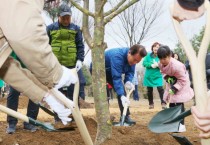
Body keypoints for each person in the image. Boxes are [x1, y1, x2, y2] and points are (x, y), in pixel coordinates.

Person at [0, 0, 78, 126]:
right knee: (13, 94)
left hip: (36, 62)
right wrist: (56, 73)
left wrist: (46, 96)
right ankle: (12, 124)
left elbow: (5, 67)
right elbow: (25, 33)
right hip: (35, 59)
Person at [47, 3, 85, 102]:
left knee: (73, 91)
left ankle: (73, 113)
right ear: (58, 17)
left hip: (71, 65)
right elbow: (46, 46)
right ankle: (58, 116)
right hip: (56, 66)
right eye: (63, 18)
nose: (66, 20)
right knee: (57, 92)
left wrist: (80, 60)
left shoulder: (76, 29)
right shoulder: (50, 28)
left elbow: (80, 45)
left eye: (68, 18)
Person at [105, 44, 147, 123]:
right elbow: (116, 78)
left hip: (112, 72)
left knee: (123, 92)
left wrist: (128, 81)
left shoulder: (133, 60)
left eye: (137, 61)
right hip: (100, 70)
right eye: (134, 60)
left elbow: (130, 72)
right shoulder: (117, 56)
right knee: (103, 93)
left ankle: (125, 116)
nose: (135, 62)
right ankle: (104, 118)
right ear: (129, 53)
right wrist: (121, 95)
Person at [157, 45, 194, 132]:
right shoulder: (160, 64)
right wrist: (167, 77)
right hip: (171, 82)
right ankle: (173, 124)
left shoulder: (178, 66)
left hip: (182, 84)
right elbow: (163, 72)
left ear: (169, 56)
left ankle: (181, 125)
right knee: (171, 103)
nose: (162, 61)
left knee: (178, 104)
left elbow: (183, 79)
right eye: (160, 59)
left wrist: (175, 88)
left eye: (164, 58)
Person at [6, 52, 39, 134]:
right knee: (13, 94)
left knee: (35, 95)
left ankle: (29, 122)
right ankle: (12, 123)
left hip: (33, 67)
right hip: (15, 67)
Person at [143, 42, 166, 109]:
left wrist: (158, 65)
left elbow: (164, 64)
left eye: (157, 47)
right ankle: (151, 104)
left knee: (160, 89)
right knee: (149, 90)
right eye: (154, 47)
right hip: (149, 76)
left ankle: (163, 102)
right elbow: (144, 63)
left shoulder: (161, 56)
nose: (156, 48)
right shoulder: (148, 55)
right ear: (152, 48)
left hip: (157, 75)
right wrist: (151, 65)